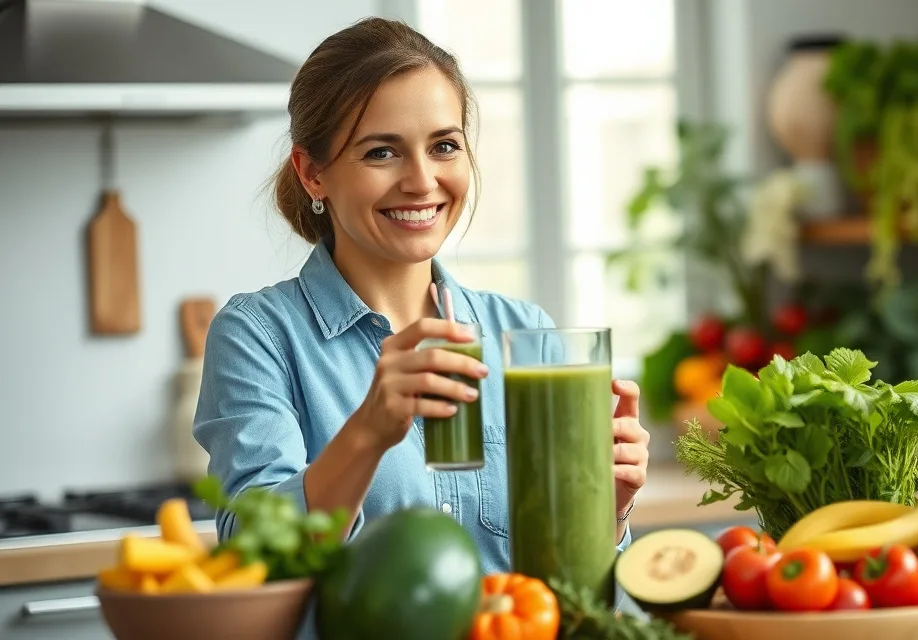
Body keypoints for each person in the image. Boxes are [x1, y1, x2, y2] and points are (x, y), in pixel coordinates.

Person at [191, 16, 649, 587]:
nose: (422, 181)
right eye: (382, 152)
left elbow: (571, 597)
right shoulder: (258, 336)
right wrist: (367, 432)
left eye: (444, 146)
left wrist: (605, 514)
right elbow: (251, 560)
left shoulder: (523, 331)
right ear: (312, 174)